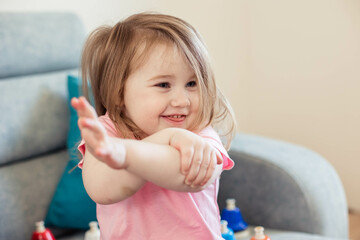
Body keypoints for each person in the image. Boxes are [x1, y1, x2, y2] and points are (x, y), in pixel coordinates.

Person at [71, 12, 236, 240]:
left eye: (191, 83)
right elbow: (101, 190)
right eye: (163, 84)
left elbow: (189, 176)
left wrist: (129, 153)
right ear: (119, 93)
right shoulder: (107, 132)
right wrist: (159, 140)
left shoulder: (200, 130)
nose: (182, 100)